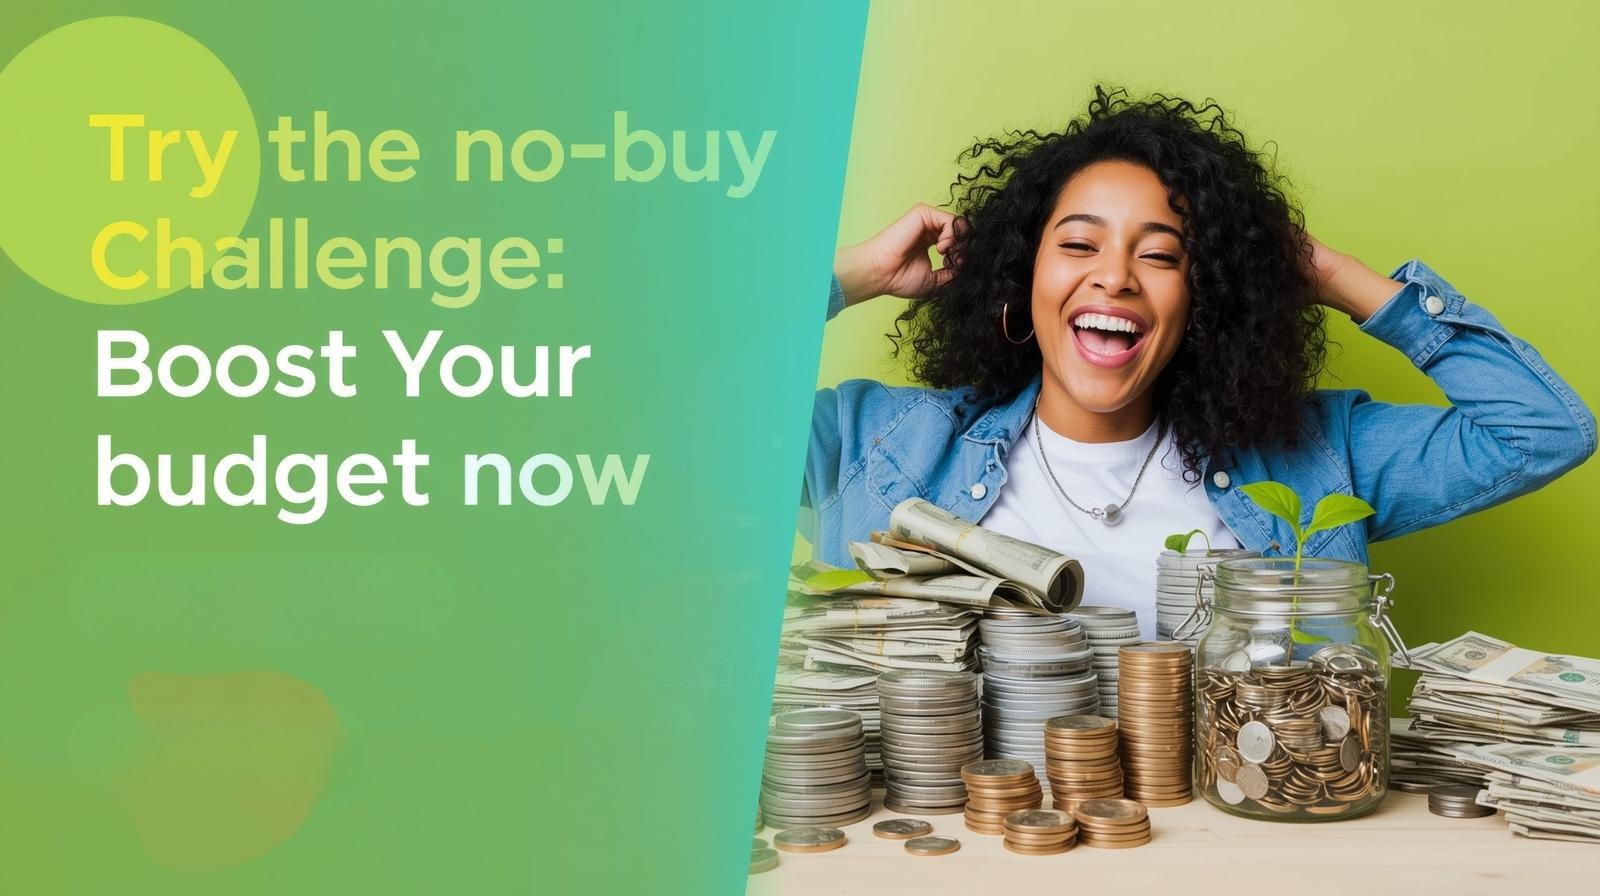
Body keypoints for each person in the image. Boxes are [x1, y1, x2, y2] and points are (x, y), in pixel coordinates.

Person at [804, 87, 1594, 638]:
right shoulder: (877, 441)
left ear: (1202, 298)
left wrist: (1333, 275)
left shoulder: (1315, 456)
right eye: (1079, 244)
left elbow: (1543, 430)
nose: (1114, 275)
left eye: (1161, 255)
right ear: (1022, 276)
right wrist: (848, 277)